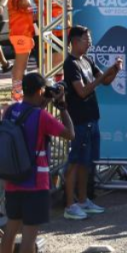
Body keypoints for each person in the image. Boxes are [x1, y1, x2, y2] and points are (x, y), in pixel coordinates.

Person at [1, 73, 73, 253]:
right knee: (29, 236)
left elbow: (26, 115)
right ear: (40, 91)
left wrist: (43, 102)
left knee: (10, 231)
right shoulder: (42, 116)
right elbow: (70, 134)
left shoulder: (9, 111)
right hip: (35, 184)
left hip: (13, 181)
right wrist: (62, 106)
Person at [62, 25, 121, 220]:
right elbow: (82, 91)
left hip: (92, 118)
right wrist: (104, 75)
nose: (90, 43)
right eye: (87, 39)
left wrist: (114, 71)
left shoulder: (87, 60)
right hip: (79, 121)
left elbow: (104, 82)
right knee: (75, 163)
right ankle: (69, 205)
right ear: (76, 41)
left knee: (86, 164)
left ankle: (83, 200)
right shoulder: (70, 64)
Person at [7, 0, 36, 102]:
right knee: (20, 67)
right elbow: (26, 3)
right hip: (20, 36)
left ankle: (17, 93)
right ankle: (17, 96)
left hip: (24, 35)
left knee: (20, 66)